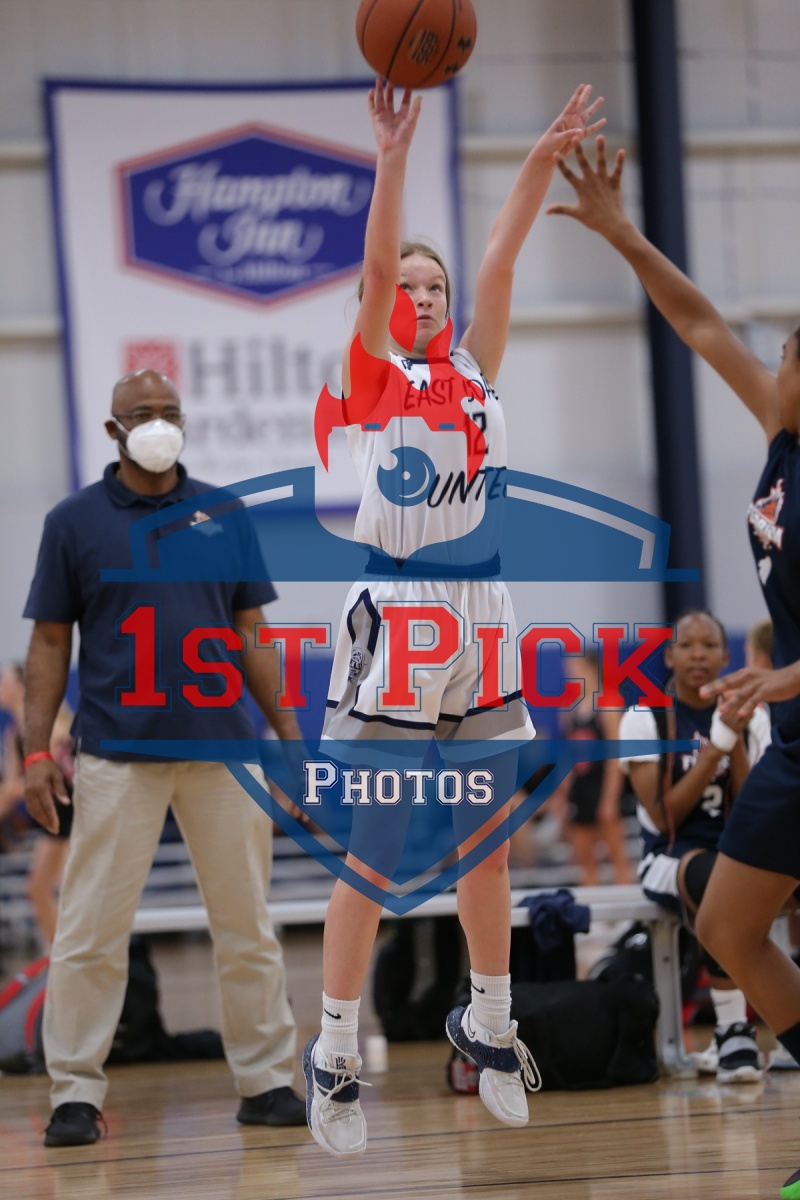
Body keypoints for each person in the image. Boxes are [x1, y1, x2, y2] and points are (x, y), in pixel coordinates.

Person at [302, 80, 605, 1157]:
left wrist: (539, 155)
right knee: (378, 849)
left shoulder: (475, 367)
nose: (424, 297)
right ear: (382, 302)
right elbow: (379, 263)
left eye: (435, 287)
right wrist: (391, 158)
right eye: (409, 286)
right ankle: (335, 1047)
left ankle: (488, 1022)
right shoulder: (369, 373)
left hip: (479, 612)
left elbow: (503, 253)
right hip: (396, 612)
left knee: (489, 843)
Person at [549, 137, 800, 1198]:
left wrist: (779, 679)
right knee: (729, 925)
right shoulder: (782, 434)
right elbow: (699, 323)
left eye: (789, 360)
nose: (774, 371)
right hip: (794, 745)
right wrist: (620, 233)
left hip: (792, 709)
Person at [23, 368, 306, 1148]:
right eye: (141, 412)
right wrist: (35, 750)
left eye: (169, 411)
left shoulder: (224, 511)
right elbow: (48, 642)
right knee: (90, 931)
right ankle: (75, 1093)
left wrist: (289, 737)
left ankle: (266, 1081)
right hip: (118, 753)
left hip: (225, 753)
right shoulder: (73, 520)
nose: (158, 422)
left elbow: (252, 634)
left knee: (247, 926)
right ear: (113, 429)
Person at [619, 610, 770, 1081]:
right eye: (687, 646)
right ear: (669, 656)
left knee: (737, 876)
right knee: (717, 881)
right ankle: (734, 1029)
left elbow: (751, 809)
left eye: (709, 646)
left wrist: (735, 736)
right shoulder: (644, 718)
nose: (698, 655)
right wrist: (716, 747)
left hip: (738, 852)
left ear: (726, 656)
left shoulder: (753, 716)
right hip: (668, 856)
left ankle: (754, 1029)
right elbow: (663, 817)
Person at [0, 662, 74, 946]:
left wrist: (11, 792)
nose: (0, 687)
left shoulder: (47, 723)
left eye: (5, 681)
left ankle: (73, 955)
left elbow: (49, 774)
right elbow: (12, 787)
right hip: (51, 814)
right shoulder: (13, 733)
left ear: (22, 687)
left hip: (71, 808)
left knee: (62, 888)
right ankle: (60, 953)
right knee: (40, 888)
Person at [556, 649, 634, 886]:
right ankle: (591, 908)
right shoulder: (568, 710)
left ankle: (627, 905)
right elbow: (567, 759)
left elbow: (615, 756)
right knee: (584, 859)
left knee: (616, 856)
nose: (570, 673)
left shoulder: (608, 704)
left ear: (590, 668)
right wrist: (562, 796)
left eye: (575, 668)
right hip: (580, 787)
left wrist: (610, 799)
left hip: (602, 785)